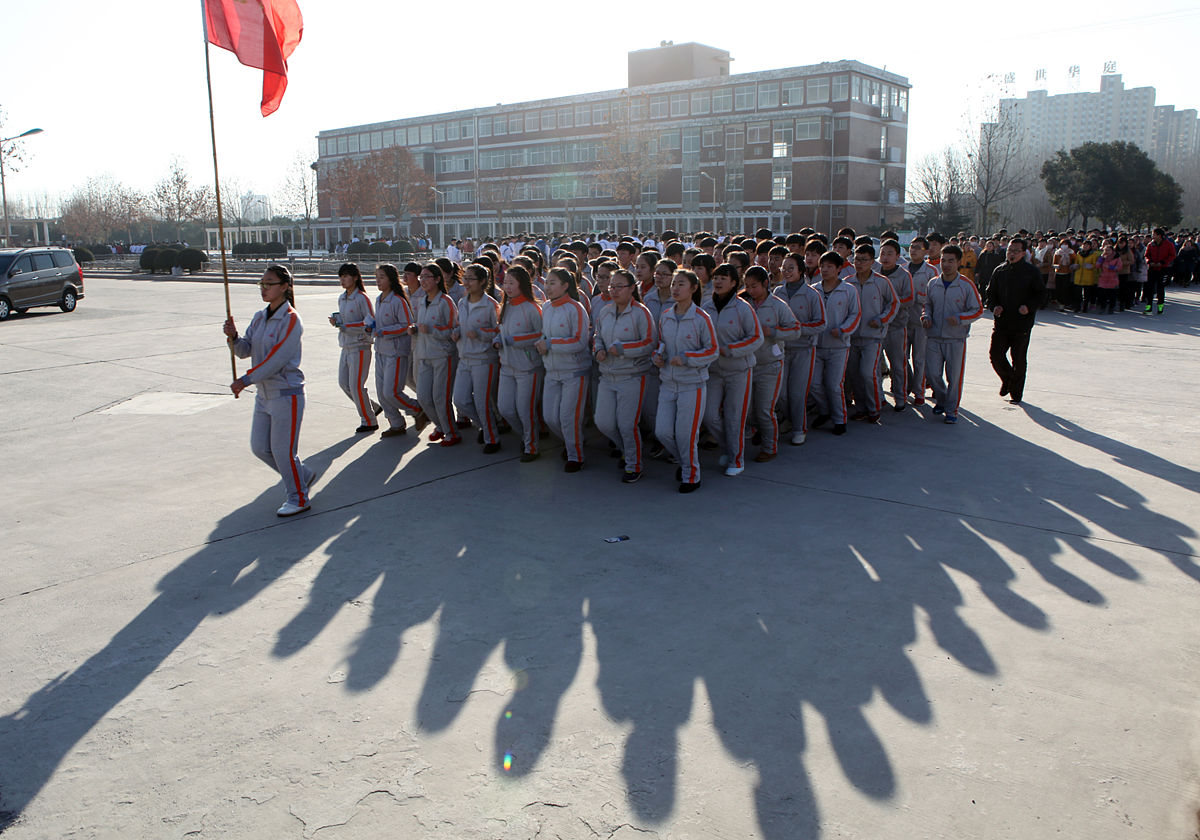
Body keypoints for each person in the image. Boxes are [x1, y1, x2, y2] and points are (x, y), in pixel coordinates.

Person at [223, 265, 314, 517]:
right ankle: (302, 475)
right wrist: (233, 337)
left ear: (284, 287)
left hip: (286, 393)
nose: (263, 289)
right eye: (261, 284)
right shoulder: (259, 317)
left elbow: (277, 360)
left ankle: (299, 497)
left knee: (283, 452)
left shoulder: (291, 319)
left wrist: (246, 380)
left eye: (269, 284)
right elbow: (245, 350)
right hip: (263, 395)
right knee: (260, 447)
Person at [654, 269, 717, 493]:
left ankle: (691, 476)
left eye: (681, 284)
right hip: (668, 382)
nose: (675, 288)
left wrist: (688, 358)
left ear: (693, 288)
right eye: (674, 284)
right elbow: (661, 344)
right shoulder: (666, 316)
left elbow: (712, 350)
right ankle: (684, 462)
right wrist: (658, 356)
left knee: (686, 435)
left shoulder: (701, 318)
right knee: (662, 432)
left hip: (692, 385)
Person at [593, 268, 656, 483]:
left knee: (627, 424)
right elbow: (598, 336)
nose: (614, 290)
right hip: (607, 375)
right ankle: (626, 450)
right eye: (612, 286)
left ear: (632, 288)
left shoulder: (641, 313)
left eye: (620, 286)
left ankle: (633, 464)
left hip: (632, 375)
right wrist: (598, 350)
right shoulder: (605, 311)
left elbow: (650, 343)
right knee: (604, 423)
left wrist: (623, 349)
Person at [702, 263, 763, 476]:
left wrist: (731, 349)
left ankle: (737, 459)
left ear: (734, 283)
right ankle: (729, 448)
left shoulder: (743, 308)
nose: (718, 282)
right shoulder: (706, 307)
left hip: (739, 370)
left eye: (723, 278)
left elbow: (756, 337)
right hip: (714, 371)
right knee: (709, 415)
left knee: (734, 416)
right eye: (716, 277)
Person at [536, 267, 591, 472]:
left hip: (574, 371)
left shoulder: (576, 308)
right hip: (552, 370)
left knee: (569, 417)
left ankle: (576, 456)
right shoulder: (547, 307)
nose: (547, 287)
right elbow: (545, 334)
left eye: (552, 283)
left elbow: (579, 342)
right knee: (551, 417)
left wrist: (550, 344)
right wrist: (542, 342)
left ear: (565, 285)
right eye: (546, 282)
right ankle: (573, 442)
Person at [922, 245, 983, 423]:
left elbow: (978, 310)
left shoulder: (966, 285)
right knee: (932, 374)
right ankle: (942, 400)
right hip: (933, 336)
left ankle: (951, 410)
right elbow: (927, 305)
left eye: (951, 261)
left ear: (958, 262)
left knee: (954, 377)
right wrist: (926, 316)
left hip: (956, 339)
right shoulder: (933, 283)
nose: (946, 265)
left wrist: (960, 318)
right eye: (943, 260)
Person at [743, 265, 798, 462]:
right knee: (747, 410)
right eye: (747, 286)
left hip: (770, 365)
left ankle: (770, 447)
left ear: (765, 283)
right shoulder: (743, 303)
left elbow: (795, 330)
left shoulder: (778, 305)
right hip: (747, 365)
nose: (750, 290)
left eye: (754, 286)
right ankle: (758, 430)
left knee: (765, 410)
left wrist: (773, 332)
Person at [773, 251, 825, 444]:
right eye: (784, 268)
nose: (786, 271)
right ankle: (789, 419)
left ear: (801, 270)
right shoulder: (778, 292)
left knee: (797, 393)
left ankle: (799, 428)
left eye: (791, 268)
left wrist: (796, 329)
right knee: (781, 394)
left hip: (804, 349)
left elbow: (821, 323)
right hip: (782, 349)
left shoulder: (812, 294)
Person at [986, 238, 1045, 406]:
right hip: (1002, 321)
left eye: (1015, 251)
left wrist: (1029, 307)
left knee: (1018, 358)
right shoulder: (1000, 270)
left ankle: (1016, 393)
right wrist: (994, 306)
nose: (1011, 254)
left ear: (1023, 253)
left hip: (1022, 323)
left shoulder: (1031, 272)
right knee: (996, 355)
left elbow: (1041, 294)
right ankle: (1008, 379)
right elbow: (990, 293)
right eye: (1009, 251)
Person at [494, 265, 545, 462]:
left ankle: (532, 446)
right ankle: (526, 436)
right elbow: (501, 331)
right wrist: (498, 340)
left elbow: (541, 335)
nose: (506, 287)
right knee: (505, 408)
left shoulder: (533, 308)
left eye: (511, 283)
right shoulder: (505, 306)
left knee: (525, 410)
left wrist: (516, 340)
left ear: (522, 284)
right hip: (507, 366)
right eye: (505, 282)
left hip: (528, 368)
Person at [452, 263, 502, 453]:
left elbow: (499, 332)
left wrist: (481, 334)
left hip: (484, 359)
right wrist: (456, 332)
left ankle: (492, 439)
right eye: (465, 278)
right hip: (464, 357)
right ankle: (487, 424)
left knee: (482, 402)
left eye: (471, 279)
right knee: (460, 400)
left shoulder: (491, 305)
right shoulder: (462, 303)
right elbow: (459, 324)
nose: (466, 282)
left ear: (482, 282)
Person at [846, 244, 898, 423]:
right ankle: (861, 408)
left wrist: (882, 319)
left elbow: (894, 304)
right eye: (857, 259)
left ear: (872, 262)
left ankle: (874, 407)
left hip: (873, 337)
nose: (859, 263)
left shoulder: (881, 282)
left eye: (864, 260)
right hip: (852, 337)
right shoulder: (847, 282)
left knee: (868, 373)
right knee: (855, 375)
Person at [412, 261, 461, 446]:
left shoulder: (446, 302)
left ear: (438, 279)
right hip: (424, 354)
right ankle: (440, 426)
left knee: (441, 397)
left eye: (427, 277)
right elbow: (421, 324)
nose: (423, 281)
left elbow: (454, 330)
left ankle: (451, 432)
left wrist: (432, 330)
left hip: (443, 355)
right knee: (423, 397)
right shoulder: (421, 301)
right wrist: (415, 328)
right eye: (421, 277)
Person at [811, 252, 860, 436]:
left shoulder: (848, 290)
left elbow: (855, 314)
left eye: (829, 266)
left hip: (838, 346)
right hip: (816, 345)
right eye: (822, 266)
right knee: (814, 384)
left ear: (839, 268)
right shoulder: (814, 290)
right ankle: (824, 411)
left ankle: (840, 419)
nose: (824, 270)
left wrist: (843, 330)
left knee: (834, 385)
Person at [373, 264, 422, 437]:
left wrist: (384, 331)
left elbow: (406, 325)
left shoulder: (398, 300)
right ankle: (396, 423)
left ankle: (417, 408)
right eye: (377, 277)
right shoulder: (379, 299)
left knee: (391, 392)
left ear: (391, 279)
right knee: (381, 393)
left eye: (382, 277)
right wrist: (371, 327)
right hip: (380, 350)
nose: (378, 281)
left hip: (396, 352)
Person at [331, 263, 380, 433]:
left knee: (356, 385)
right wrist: (337, 322)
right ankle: (372, 407)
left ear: (356, 277)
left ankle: (369, 420)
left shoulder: (361, 298)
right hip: (345, 345)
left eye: (346, 276)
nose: (342, 280)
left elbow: (370, 321)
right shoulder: (342, 298)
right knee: (344, 383)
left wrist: (346, 326)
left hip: (360, 345)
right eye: (341, 277)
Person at [878, 240, 913, 412]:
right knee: (875, 366)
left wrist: (892, 304)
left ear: (898, 256)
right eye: (883, 253)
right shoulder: (874, 273)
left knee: (898, 365)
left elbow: (910, 298)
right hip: (876, 327)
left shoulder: (904, 275)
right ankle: (879, 398)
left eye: (890, 253)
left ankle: (900, 397)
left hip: (896, 327)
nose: (885, 257)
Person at [1143, 227, 1176, 314]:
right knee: (1149, 288)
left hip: (1162, 269)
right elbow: (1146, 255)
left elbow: (1172, 255)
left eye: (1154, 234)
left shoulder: (1168, 244)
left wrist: (1163, 262)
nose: (1152, 236)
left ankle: (1160, 307)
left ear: (1159, 235)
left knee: (1160, 288)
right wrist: (1149, 262)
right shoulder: (1150, 244)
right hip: (1152, 268)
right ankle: (1148, 307)